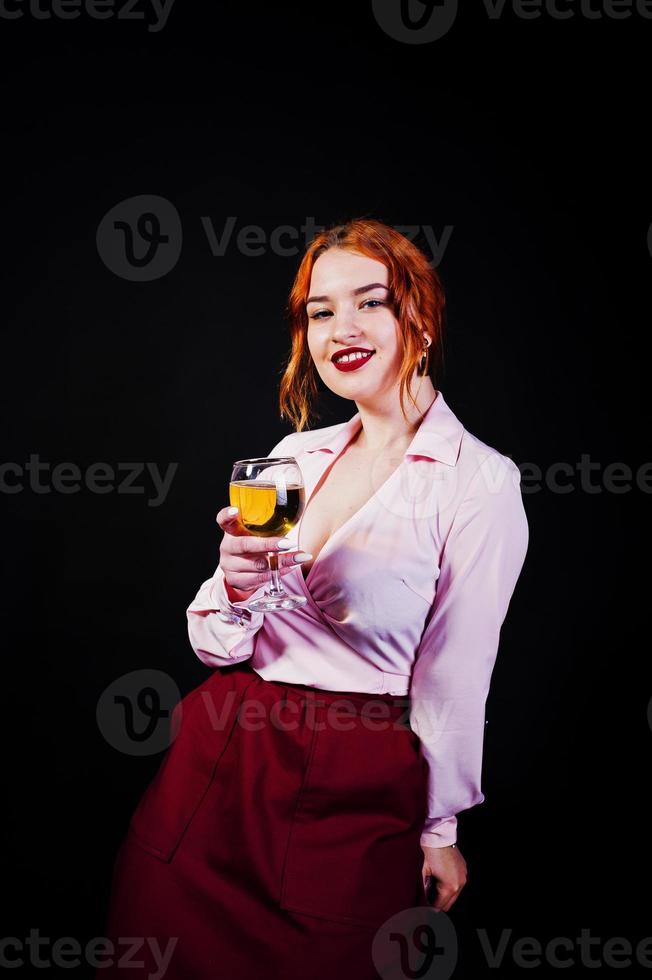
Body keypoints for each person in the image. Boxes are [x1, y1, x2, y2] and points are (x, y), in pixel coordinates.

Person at [98, 218, 529, 980]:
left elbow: (457, 673)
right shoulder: (295, 457)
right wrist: (235, 580)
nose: (342, 329)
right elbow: (220, 645)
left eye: (371, 302)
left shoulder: (478, 480)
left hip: (353, 783)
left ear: (418, 317)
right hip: (224, 757)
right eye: (319, 311)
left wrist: (440, 825)